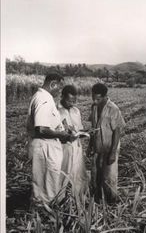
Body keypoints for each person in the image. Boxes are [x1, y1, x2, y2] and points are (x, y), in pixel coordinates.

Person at [26, 74, 77, 204]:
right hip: (45, 148)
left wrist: (61, 131)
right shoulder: (44, 99)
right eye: (59, 88)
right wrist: (62, 135)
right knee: (45, 185)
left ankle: (44, 212)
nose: (59, 92)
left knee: (47, 183)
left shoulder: (42, 97)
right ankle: (42, 214)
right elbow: (42, 129)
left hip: (46, 146)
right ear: (53, 84)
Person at [87, 83, 125, 204]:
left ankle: (111, 201)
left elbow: (117, 132)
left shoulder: (113, 109)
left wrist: (113, 152)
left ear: (105, 96)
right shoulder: (93, 107)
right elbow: (94, 128)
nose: (95, 101)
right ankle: (98, 199)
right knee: (96, 173)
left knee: (109, 175)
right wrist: (90, 146)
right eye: (93, 98)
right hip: (98, 146)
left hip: (110, 147)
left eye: (98, 99)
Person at [58, 85, 89, 206]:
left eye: (73, 101)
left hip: (76, 146)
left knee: (77, 172)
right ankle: (59, 199)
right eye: (69, 101)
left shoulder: (76, 111)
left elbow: (79, 128)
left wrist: (84, 133)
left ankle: (77, 198)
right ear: (62, 97)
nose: (71, 104)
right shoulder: (56, 110)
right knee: (63, 173)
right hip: (63, 147)